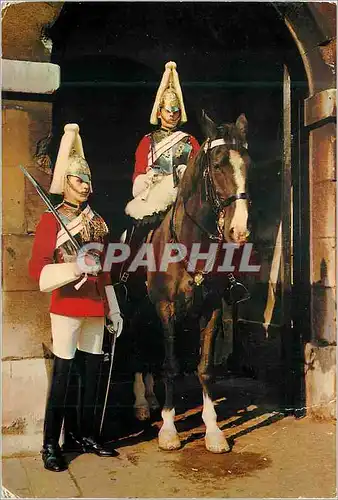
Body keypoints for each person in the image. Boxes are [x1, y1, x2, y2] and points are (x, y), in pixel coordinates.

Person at [28, 124, 123, 472]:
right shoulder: (50, 221)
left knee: (92, 376)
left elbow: (107, 270)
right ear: (65, 181)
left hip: (95, 308)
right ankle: (51, 444)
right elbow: (37, 272)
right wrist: (73, 269)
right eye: (79, 179)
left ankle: (85, 435)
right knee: (64, 376)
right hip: (67, 306)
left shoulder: (97, 222)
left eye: (87, 180)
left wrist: (113, 308)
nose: (85, 185)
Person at [122, 61, 200, 276]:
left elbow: (199, 169)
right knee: (136, 228)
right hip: (155, 192)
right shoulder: (148, 140)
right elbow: (138, 172)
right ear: (159, 112)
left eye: (176, 110)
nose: (173, 115)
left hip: (183, 192)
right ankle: (127, 274)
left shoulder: (190, 141)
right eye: (169, 110)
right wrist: (146, 180)